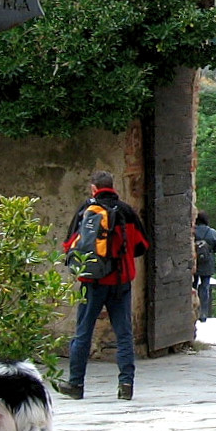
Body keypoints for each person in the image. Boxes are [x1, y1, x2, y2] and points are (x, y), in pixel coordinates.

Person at [58, 170, 149, 401]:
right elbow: (142, 245)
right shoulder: (127, 211)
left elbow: (69, 245)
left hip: (92, 281)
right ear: (112, 186)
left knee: (83, 332)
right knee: (124, 334)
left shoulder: (86, 210)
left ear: (94, 189)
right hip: (121, 281)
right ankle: (126, 384)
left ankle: (76, 384)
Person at [192, 210, 216, 323]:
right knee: (205, 287)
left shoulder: (192, 231)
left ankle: (193, 311)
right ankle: (203, 312)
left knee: (193, 286)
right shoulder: (212, 232)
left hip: (194, 261)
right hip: (207, 262)